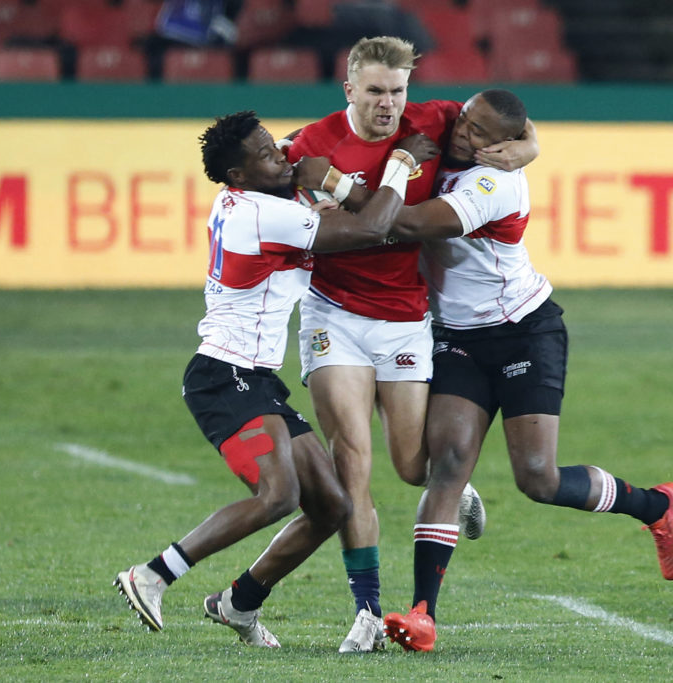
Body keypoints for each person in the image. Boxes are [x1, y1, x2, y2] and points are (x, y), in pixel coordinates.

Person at [331, 89, 673, 652]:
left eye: (478, 132)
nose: (462, 135)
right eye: (465, 122)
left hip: (523, 331)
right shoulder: (455, 133)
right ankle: (423, 615)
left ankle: (658, 506)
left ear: (502, 145)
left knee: (538, 480)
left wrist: (337, 188)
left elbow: (409, 225)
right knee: (447, 462)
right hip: (457, 339)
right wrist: (530, 139)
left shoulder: (495, 181)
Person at [113, 110, 437, 647]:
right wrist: (400, 164)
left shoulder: (244, 198)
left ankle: (240, 601)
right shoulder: (263, 213)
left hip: (256, 379)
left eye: (273, 145)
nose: (279, 156)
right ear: (238, 175)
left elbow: (288, 157)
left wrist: (295, 155)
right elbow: (372, 226)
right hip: (225, 375)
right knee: (279, 494)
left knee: (332, 504)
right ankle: (152, 574)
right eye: (265, 155)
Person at [284, 36, 540, 654]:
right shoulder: (311, 147)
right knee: (354, 461)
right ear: (349, 89)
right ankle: (367, 612)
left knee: (411, 466)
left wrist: (529, 147)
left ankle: (456, 487)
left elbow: (513, 121)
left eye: (396, 92)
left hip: (404, 318)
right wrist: (354, 188)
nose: (387, 105)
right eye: (374, 92)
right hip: (335, 313)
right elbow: (333, 226)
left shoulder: (434, 119)